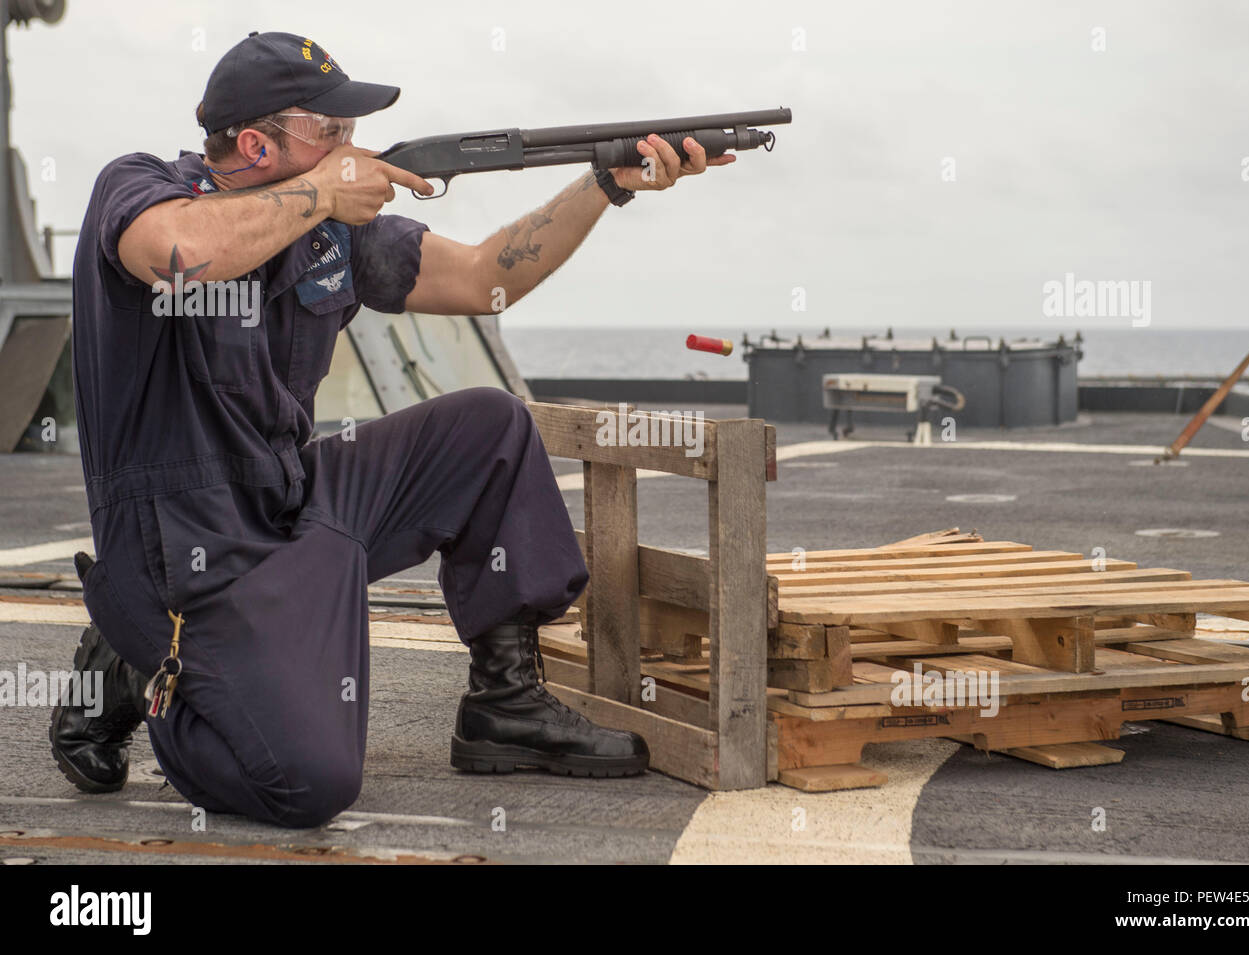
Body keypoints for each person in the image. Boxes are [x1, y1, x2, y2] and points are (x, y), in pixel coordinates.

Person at [50, 31, 736, 828]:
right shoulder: (138, 188)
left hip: (288, 500)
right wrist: (323, 193)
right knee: (308, 781)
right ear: (253, 143)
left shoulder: (335, 230)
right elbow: (177, 253)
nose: (352, 146)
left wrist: (604, 186)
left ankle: (504, 702)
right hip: (185, 549)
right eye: (329, 130)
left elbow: (486, 278)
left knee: (490, 427)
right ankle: (144, 667)